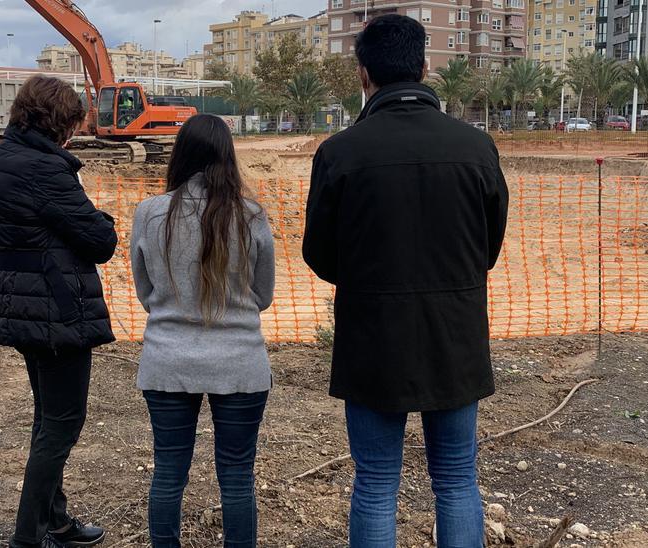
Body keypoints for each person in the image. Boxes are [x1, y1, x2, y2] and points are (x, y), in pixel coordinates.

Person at [302, 14, 510, 548]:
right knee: (458, 480)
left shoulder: (340, 153)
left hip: (373, 340)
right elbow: (486, 249)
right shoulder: (476, 148)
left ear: (363, 74)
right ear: (424, 68)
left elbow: (320, 254)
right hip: (456, 339)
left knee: (374, 484)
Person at [0, 76, 117, 548]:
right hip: (56, 313)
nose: (74, 134)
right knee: (61, 425)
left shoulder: (0, 159)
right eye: (72, 124)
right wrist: (103, 216)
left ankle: (56, 522)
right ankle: (28, 537)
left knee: (47, 419)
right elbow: (101, 242)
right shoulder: (46, 169)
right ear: (59, 123)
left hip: (22, 306)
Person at [130, 114, 276, 548]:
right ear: (228, 157)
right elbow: (263, 295)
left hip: (167, 361)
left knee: (168, 472)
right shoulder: (251, 216)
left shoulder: (150, 213)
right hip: (241, 363)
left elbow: (145, 290)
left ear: (180, 155)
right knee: (236, 475)